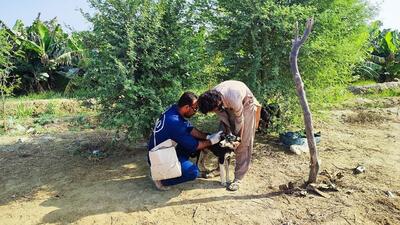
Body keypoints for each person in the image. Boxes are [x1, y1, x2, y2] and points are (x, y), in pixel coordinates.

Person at [148, 92, 223, 191]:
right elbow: (195, 146)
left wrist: (207, 136)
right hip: (159, 158)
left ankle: (177, 166)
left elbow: (189, 128)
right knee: (192, 172)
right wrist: (211, 141)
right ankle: (161, 179)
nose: (196, 111)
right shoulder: (174, 123)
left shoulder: (174, 109)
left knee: (198, 139)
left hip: (166, 150)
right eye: (195, 108)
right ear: (187, 107)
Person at [197, 80, 261, 191]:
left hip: (245, 103)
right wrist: (228, 132)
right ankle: (220, 168)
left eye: (213, 111)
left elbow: (240, 121)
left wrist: (238, 139)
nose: (213, 113)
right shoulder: (210, 99)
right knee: (223, 138)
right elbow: (223, 118)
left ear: (217, 104)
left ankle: (238, 178)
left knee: (243, 143)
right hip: (225, 103)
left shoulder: (233, 98)